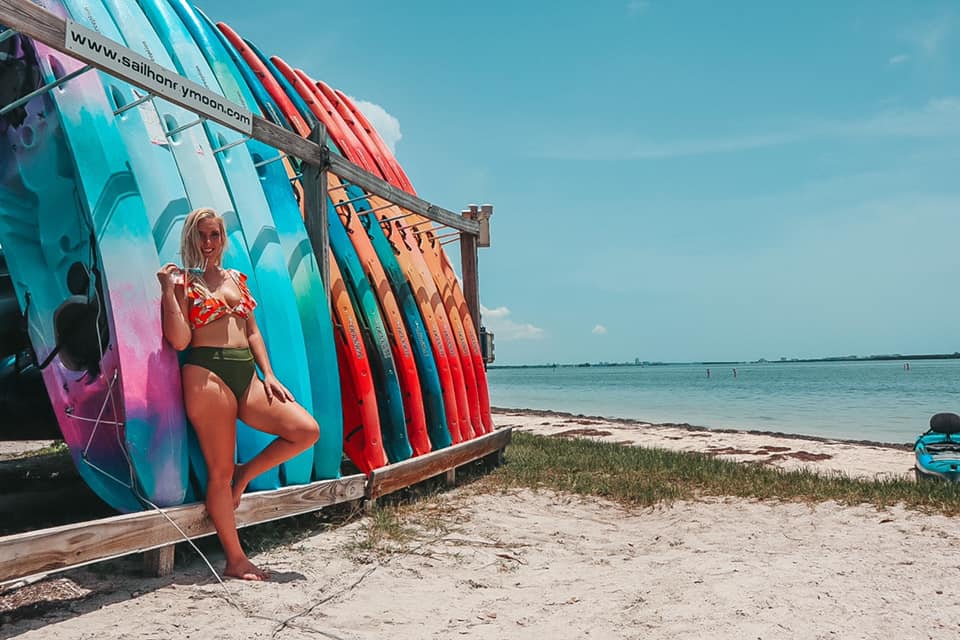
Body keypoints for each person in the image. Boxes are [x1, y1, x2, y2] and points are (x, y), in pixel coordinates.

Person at [157, 208, 319, 581]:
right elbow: (180, 339)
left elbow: (252, 332)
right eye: (201, 236)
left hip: (246, 373)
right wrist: (168, 290)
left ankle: (245, 474)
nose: (208, 243)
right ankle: (235, 560)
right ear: (190, 239)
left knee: (306, 430)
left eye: (214, 235)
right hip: (205, 372)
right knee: (219, 472)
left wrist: (270, 373)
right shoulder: (183, 284)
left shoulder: (237, 278)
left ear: (222, 238)